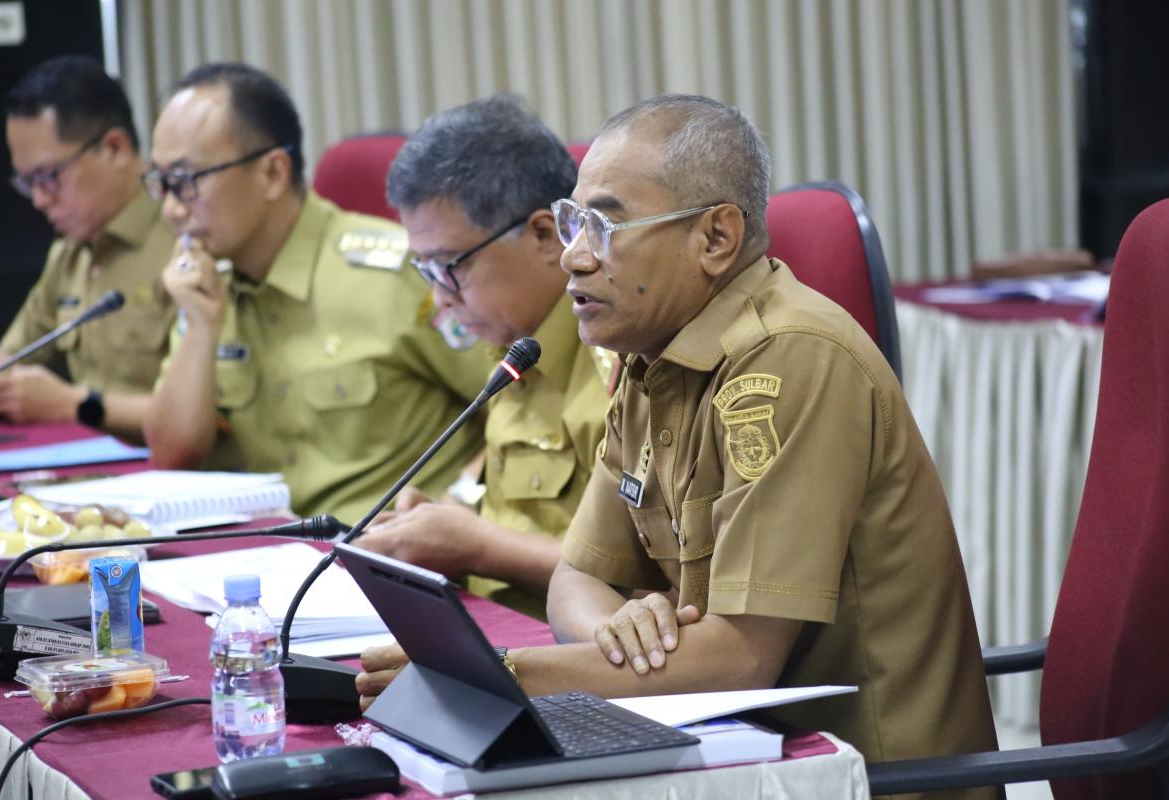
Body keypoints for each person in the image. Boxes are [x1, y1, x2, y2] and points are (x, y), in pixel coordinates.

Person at [357, 94, 1000, 786]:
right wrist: (619, 630)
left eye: (605, 226)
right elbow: (577, 577)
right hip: (733, 750)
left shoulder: (791, 358)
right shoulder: (652, 353)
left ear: (716, 238)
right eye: (575, 223)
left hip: (860, 775)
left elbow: (739, 661)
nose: (573, 256)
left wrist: (498, 679)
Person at [142, 63, 487, 522]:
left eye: (186, 182)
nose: (170, 208)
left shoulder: (398, 274)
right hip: (272, 549)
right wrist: (200, 330)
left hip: (391, 549)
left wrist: (461, 502)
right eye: (161, 183)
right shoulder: (204, 285)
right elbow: (171, 455)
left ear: (272, 173)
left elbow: (520, 399)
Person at [355, 95, 612, 617]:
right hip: (490, 619)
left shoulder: (617, 362)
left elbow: (644, 574)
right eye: (425, 270)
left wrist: (477, 546)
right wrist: (446, 517)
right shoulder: (514, 340)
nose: (439, 297)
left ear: (545, 235)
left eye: (451, 265)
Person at [0, 56, 176, 438]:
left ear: (115, 148)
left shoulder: (186, 240)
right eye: (27, 183)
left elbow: (207, 417)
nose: (39, 200)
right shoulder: (69, 253)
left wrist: (72, 402)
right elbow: (12, 357)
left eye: (48, 177)